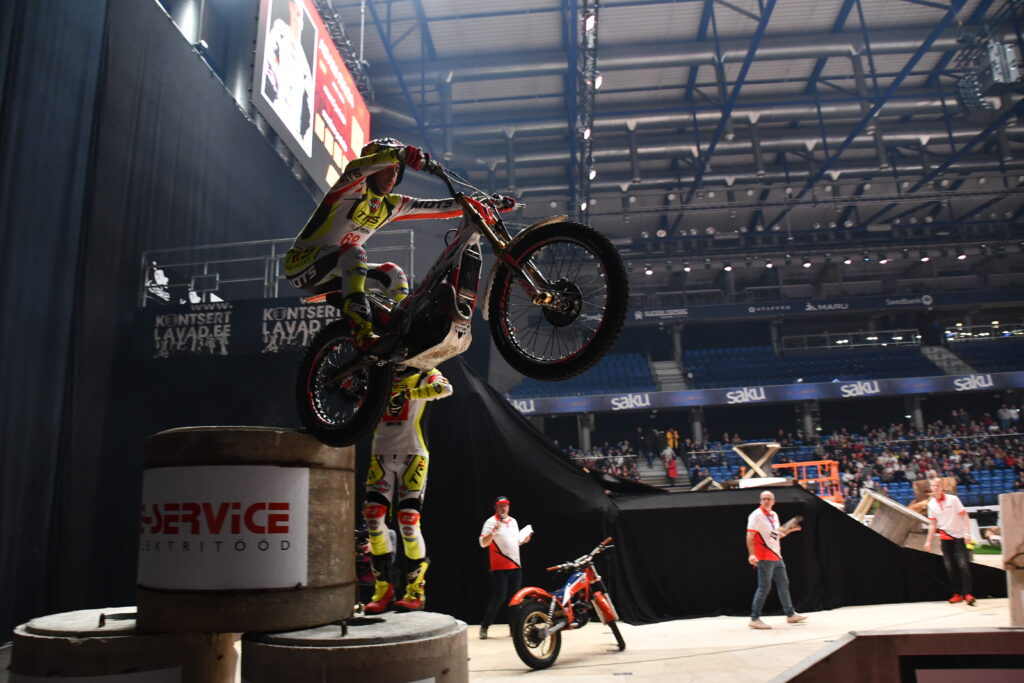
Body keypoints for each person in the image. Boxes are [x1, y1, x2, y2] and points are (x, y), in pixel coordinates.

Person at [285, 137, 517, 345]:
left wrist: (487, 204)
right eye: (387, 169)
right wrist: (400, 154)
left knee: (393, 273)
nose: (392, 175)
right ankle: (361, 328)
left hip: (339, 271)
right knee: (355, 251)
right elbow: (362, 165)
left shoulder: (391, 204)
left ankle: (400, 333)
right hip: (301, 265)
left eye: (397, 170)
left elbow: (442, 207)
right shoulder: (351, 184)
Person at [362, 366, 453, 614]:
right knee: (373, 520)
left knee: (408, 522)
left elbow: (445, 388)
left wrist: (409, 394)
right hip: (380, 453)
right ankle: (383, 589)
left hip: (414, 453)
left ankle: (415, 590)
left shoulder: (424, 371)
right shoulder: (376, 373)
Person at [746, 489, 806, 629]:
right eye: (764, 499)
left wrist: (790, 530)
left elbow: (776, 535)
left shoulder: (774, 515)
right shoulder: (755, 515)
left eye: (769, 499)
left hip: (777, 556)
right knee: (764, 588)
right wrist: (751, 554)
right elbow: (749, 536)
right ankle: (754, 619)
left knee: (783, 584)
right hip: (764, 557)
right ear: (761, 501)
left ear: (773, 501)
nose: (766, 501)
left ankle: (790, 615)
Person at [478, 496, 532, 639]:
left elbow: (515, 541)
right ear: (495, 507)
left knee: (515, 599)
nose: (503, 508)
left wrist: (523, 540)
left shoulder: (513, 521)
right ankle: (484, 626)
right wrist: (493, 532)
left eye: (506, 505)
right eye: (501, 506)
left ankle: (513, 628)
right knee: (499, 598)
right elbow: (483, 543)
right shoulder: (491, 522)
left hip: (516, 565)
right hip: (500, 566)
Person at [923, 477, 975, 606]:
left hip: (959, 538)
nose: (936, 487)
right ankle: (957, 594)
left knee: (963, 566)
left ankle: (968, 594)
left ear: (942, 487)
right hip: (945, 540)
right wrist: (928, 541)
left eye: (938, 485)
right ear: (931, 488)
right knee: (950, 568)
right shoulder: (931, 504)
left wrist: (968, 533)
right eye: (933, 485)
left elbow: (965, 515)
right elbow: (933, 525)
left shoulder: (953, 499)